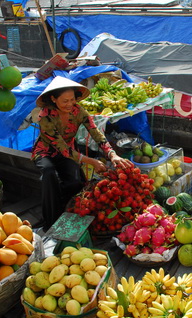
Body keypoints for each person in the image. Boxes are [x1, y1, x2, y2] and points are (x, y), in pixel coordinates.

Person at [31, 76, 132, 231]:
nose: (70, 104)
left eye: (72, 100)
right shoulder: (45, 117)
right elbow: (62, 148)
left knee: (75, 182)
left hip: (70, 152)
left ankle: (68, 213)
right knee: (49, 173)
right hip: (46, 152)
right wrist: (91, 161)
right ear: (53, 99)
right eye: (65, 101)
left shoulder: (78, 111)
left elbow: (95, 132)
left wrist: (112, 154)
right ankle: (50, 223)